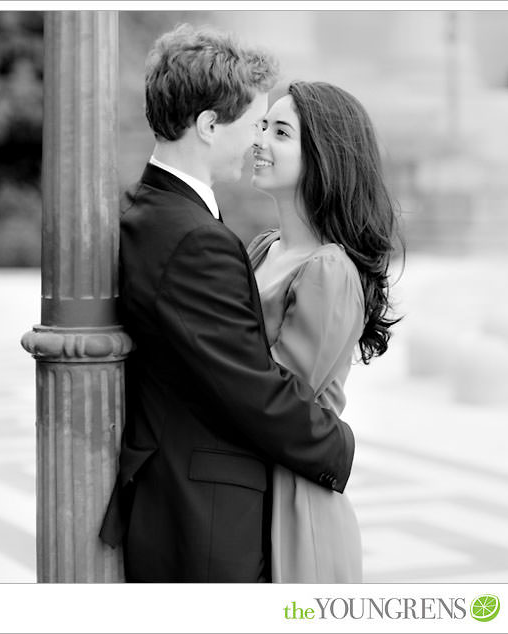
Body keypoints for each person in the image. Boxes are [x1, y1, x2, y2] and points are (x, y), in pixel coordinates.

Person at [98, 25, 355, 583]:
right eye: (255, 122)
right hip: (207, 519)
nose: (257, 138)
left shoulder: (152, 211)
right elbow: (248, 385)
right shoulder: (195, 238)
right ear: (211, 125)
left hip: (183, 501)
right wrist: (340, 446)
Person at [248, 81, 401, 582]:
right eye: (262, 126)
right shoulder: (263, 248)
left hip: (295, 503)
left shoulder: (328, 268)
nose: (260, 140)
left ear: (322, 157)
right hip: (250, 482)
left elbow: (278, 397)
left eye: (280, 132)